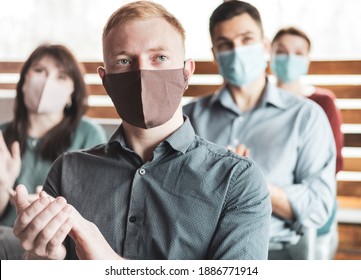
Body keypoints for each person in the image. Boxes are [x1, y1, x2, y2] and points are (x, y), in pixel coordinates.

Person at [11, 1, 271, 260]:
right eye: (124, 61)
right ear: (106, 81)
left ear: (186, 72)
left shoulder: (236, 180)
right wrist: (44, 256)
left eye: (159, 57)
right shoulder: (68, 170)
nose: (142, 73)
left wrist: (109, 264)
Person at [183, 0, 336, 259]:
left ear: (264, 46)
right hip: (197, 253)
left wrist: (250, 181)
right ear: (215, 53)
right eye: (226, 45)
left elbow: (318, 207)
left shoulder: (305, 116)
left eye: (246, 39)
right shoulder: (189, 117)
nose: (237, 50)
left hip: (275, 252)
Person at [0, 44, 107, 259]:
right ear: (23, 82)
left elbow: (98, 213)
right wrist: (3, 185)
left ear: (72, 92)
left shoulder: (89, 135)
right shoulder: (3, 135)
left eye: (61, 76)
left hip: (60, 247)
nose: (47, 82)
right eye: (40, 71)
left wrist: (51, 208)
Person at [270, 26, 343, 259]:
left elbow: (332, 164)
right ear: (269, 55)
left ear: (308, 60)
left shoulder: (322, 104)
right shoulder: (256, 104)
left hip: (307, 196)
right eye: (281, 51)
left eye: (299, 52)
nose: (289, 58)